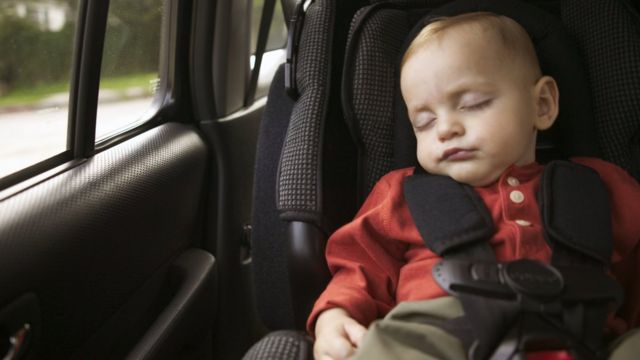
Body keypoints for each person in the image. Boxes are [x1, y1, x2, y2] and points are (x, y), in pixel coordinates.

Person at [308, 11, 640, 360]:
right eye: (424, 122)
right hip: (438, 332)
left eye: (473, 104)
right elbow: (361, 266)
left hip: (585, 334)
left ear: (541, 105)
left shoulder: (601, 186)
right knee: (386, 345)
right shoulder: (401, 195)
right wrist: (335, 315)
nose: (445, 129)